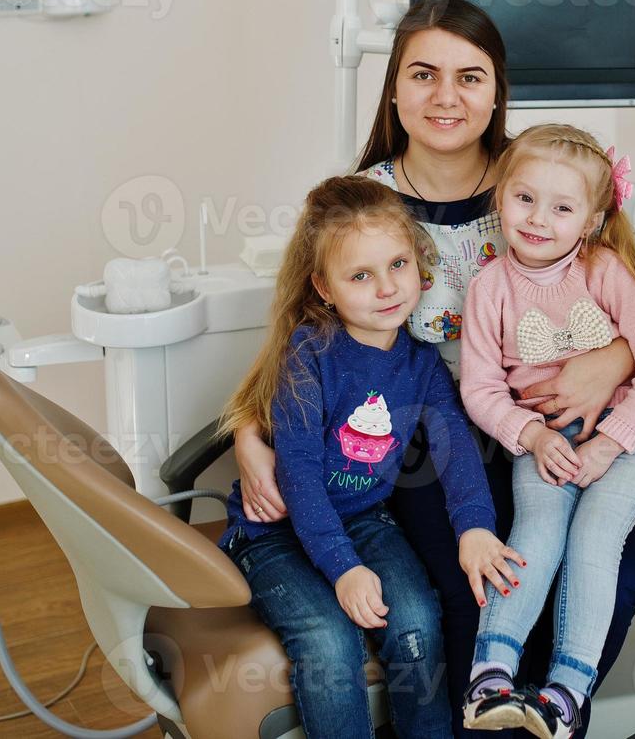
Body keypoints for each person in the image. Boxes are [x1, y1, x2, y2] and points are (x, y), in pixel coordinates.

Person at [231, 0, 635, 738]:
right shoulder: (364, 204)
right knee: (474, 590)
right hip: (426, 434)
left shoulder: (538, 183)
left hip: (561, 424)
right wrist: (247, 435)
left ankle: (554, 713)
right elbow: (301, 334)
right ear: (392, 89)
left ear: (496, 92)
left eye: (469, 77)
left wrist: (609, 361)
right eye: (423, 75)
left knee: (601, 580)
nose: (446, 97)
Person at [216, 176, 523, 739]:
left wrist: (474, 530)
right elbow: (301, 480)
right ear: (324, 287)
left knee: (417, 620)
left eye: (398, 264)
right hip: (275, 532)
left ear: (419, 264)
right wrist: (345, 570)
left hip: (363, 519)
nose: (387, 288)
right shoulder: (307, 356)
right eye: (361, 275)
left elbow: (456, 453)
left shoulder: (422, 364)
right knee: (329, 643)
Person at [457, 125, 635, 739]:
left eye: (561, 207)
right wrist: (530, 436)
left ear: (589, 219)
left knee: (594, 537)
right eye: (524, 198)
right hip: (546, 438)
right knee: (536, 531)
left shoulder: (605, 271)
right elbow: (479, 388)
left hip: (629, 435)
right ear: (500, 198)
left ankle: (566, 693)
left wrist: (613, 440)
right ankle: (491, 677)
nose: (538, 219)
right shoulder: (488, 288)